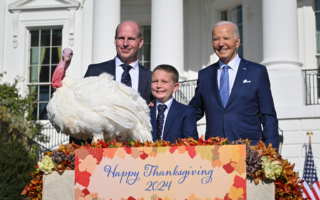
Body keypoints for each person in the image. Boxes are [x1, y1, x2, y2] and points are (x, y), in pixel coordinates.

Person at [189, 21, 279, 148]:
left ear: (237, 42)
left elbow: (268, 116)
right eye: (216, 39)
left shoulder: (257, 72)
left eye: (226, 38)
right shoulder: (204, 75)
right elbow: (193, 112)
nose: (221, 44)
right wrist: (164, 106)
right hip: (214, 151)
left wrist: (270, 152)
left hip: (249, 150)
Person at [70, 20, 153, 145]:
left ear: (140, 42)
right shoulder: (95, 71)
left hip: (139, 153)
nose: (125, 43)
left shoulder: (151, 77)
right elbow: (78, 113)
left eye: (130, 39)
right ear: (115, 40)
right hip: (100, 152)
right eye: (121, 38)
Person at [150, 64, 198, 143]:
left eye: (164, 82)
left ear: (175, 87)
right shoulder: (144, 111)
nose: (158, 86)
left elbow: (191, 145)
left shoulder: (186, 112)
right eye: (155, 81)